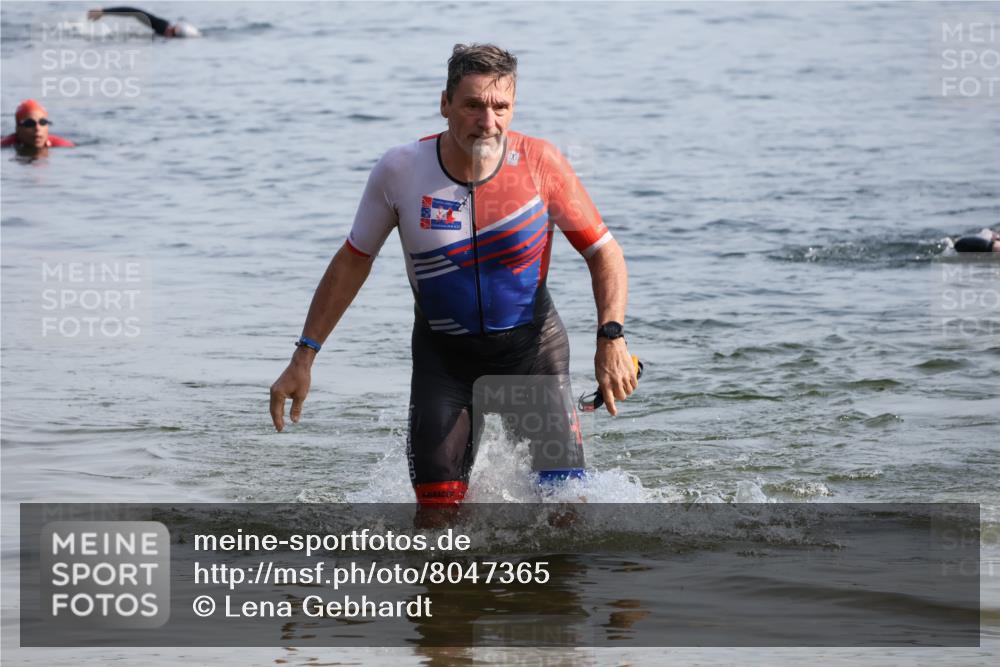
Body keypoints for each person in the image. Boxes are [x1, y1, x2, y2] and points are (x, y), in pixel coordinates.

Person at [269, 44, 637, 505]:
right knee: (436, 519)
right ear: (444, 104)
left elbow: (604, 253)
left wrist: (612, 337)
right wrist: (304, 356)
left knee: (565, 509)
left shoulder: (542, 164)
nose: (488, 122)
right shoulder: (401, 171)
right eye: (473, 106)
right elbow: (353, 260)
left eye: (501, 107)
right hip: (444, 365)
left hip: (532, 355)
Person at [0, 100, 75, 155]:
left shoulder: (65, 146)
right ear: (18, 128)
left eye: (43, 123)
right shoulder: (3, 145)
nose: (37, 128)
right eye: (30, 123)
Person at [87, 7, 200, 37]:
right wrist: (104, 12)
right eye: (173, 28)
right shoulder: (161, 25)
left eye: (173, 32)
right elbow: (135, 12)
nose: (169, 31)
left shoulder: (164, 32)